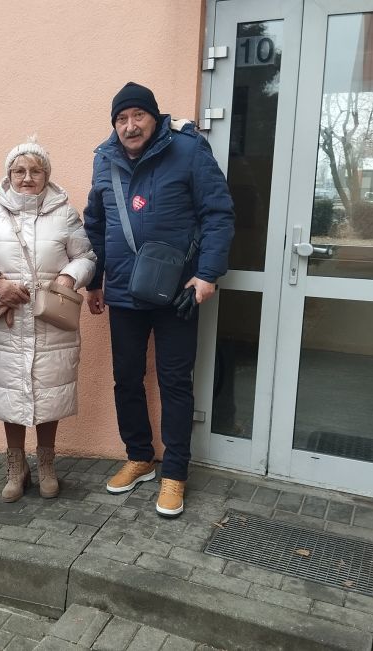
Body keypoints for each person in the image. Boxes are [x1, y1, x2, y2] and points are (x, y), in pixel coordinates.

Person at [83, 82, 234, 518]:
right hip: (123, 291)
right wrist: (95, 280)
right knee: (126, 379)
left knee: (175, 383)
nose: (130, 126)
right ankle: (140, 457)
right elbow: (95, 224)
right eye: (121, 119)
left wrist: (207, 274)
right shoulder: (104, 159)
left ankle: (175, 473)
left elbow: (218, 214)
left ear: (155, 117)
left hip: (178, 292)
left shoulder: (188, 151)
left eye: (138, 116)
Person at [0, 140, 96, 502]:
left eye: (35, 171)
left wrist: (69, 277)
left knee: (49, 393)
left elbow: (86, 257)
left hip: (50, 320)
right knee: (11, 394)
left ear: (46, 175)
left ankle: (47, 464)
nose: (27, 178)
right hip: (7, 323)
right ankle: (16, 465)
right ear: (8, 175)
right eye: (19, 171)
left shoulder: (64, 214)